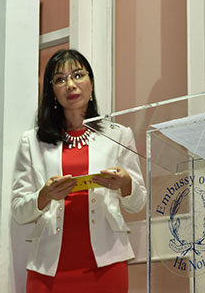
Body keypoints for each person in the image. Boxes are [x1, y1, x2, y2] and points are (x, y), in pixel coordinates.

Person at [11, 49, 146, 293]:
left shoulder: (118, 135)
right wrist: (45, 195)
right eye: (60, 79)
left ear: (91, 84)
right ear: (52, 92)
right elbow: (19, 211)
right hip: (48, 269)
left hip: (107, 264)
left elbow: (138, 204)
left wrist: (126, 184)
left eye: (77, 75)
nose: (70, 84)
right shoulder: (31, 141)